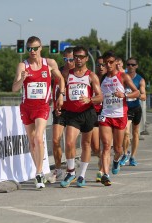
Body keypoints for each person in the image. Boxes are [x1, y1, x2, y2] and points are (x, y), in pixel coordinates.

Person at [12, 36, 65, 189]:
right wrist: (22, 79)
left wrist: (60, 94)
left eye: (35, 48)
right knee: (32, 141)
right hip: (27, 107)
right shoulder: (23, 65)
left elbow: (61, 79)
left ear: (41, 48)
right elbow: (15, 89)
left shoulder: (49, 63)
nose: (32, 51)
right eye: (29, 49)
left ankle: (39, 172)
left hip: (42, 106)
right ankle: (39, 171)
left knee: (38, 138)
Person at [60, 46, 103, 188]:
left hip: (88, 113)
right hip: (72, 114)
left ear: (85, 59)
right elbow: (60, 88)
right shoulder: (67, 73)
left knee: (86, 144)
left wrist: (90, 99)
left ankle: (82, 175)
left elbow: (100, 97)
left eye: (80, 57)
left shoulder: (91, 76)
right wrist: (60, 99)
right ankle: (71, 171)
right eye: (75, 57)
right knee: (69, 142)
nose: (77, 59)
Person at [99, 51, 140, 186]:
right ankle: (105, 174)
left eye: (111, 62)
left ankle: (116, 161)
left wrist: (124, 95)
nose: (108, 65)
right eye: (106, 62)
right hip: (106, 114)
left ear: (116, 62)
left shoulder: (123, 76)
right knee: (105, 146)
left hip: (120, 115)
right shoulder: (102, 78)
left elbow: (137, 92)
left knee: (118, 149)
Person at [47, 47, 75, 183]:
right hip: (60, 109)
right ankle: (58, 170)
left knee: (71, 142)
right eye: (65, 59)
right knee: (55, 140)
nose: (68, 62)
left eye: (71, 59)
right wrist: (54, 103)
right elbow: (53, 89)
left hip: (75, 110)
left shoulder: (80, 73)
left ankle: (72, 168)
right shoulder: (58, 73)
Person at [120, 57, 146, 167]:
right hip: (125, 108)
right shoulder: (122, 77)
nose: (130, 66)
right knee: (126, 131)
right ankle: (125, 153)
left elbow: (144, 96)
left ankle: (133, 157)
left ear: (136, 66)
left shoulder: (140, 79)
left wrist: (137, 94)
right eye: (128, 64)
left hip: (136, 108)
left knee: (135, 133)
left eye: (133, 64)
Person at [92, 56, 107, 183]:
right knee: (96, 147)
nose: (101, 67)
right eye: (98, 64)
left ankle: (101, 171)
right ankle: (100, 158)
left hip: (107, 113)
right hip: (93, 112)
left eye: (103, 65)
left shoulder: (110, 79)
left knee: (105, 143)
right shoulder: (91, 77)